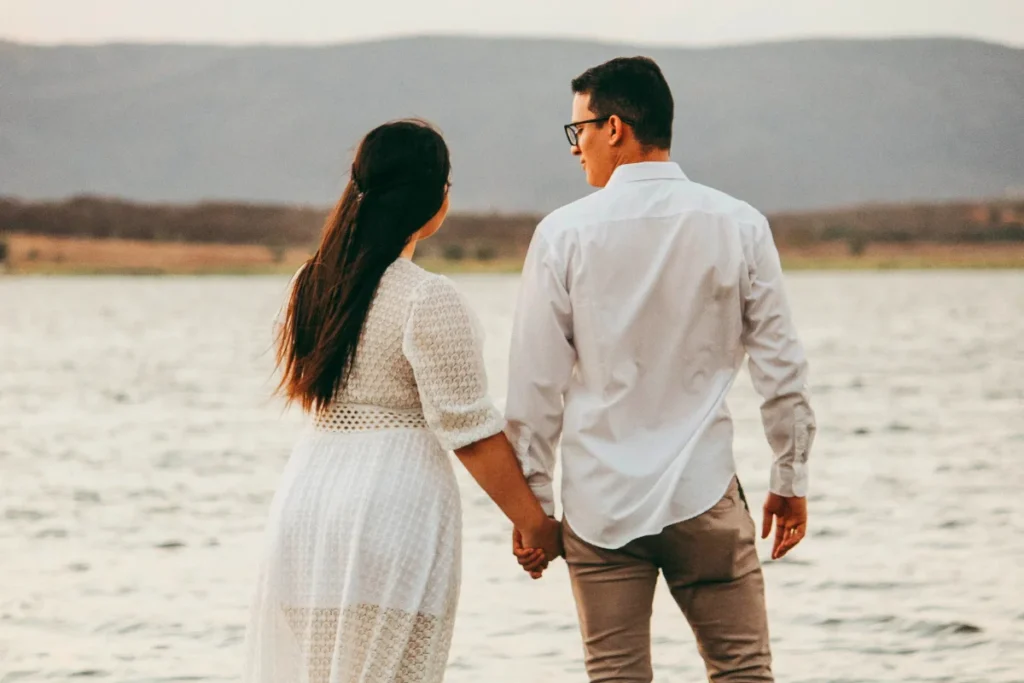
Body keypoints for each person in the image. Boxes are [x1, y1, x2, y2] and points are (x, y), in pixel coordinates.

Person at [506, 57, 817, 682]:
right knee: (743, 672)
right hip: (703, 494)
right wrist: (790, 474)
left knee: (615, 675)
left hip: (600, 506)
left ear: (615, 127)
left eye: (580, 131)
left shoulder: (563, 235)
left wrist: (533, 506)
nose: (577, 149)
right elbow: (781, 367)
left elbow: (534, 387)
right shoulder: (739, 224)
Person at [242, 119, 561, 683]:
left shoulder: (308, 285)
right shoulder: (427, 298)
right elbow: (470, 431)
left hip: (307, 507)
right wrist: (534, 523)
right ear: (435, 199)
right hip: (390, 509)